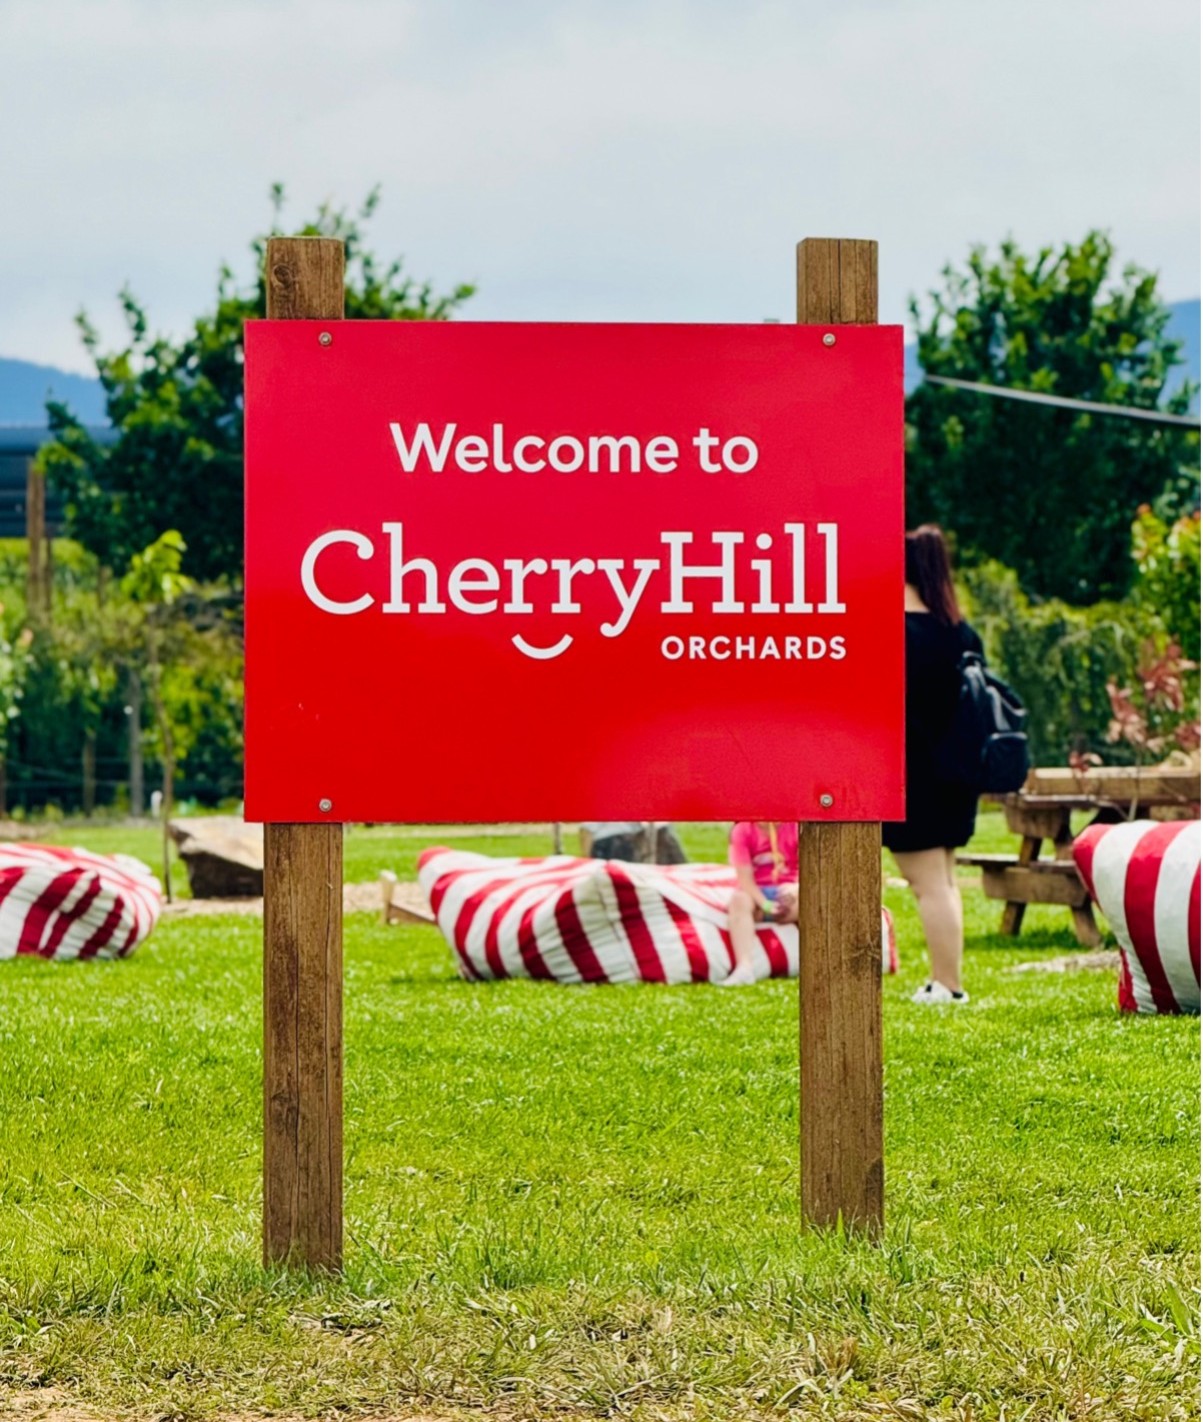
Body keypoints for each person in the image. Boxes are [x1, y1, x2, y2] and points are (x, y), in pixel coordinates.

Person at [884, 525, 982, 1005]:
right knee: (942, 880)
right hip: (957, 773)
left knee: (928, 887)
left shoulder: (893, 631)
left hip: (913, 777)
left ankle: (948, 985)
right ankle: (947, 979)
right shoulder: (960, 631)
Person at [721, 820, 798, 986]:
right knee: (738, 900)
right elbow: (745, 879)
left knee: (813, 900)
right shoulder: (743, 830)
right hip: (758, 892)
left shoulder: (795, 826)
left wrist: (796, 888)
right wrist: (765, 904)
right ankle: (744, 968)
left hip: (790, 890)